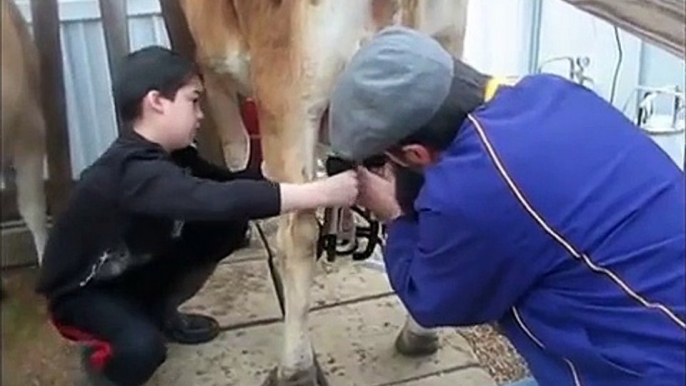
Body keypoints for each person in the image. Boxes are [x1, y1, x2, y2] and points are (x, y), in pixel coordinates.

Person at [327, 26, 685, 386]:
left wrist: (396, 214)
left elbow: (431, 298)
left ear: (415, 153)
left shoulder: (476, 186)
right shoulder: (551, 91)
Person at [35, 46, 358, 386]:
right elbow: (214, 199)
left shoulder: (174, 157)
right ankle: (105, 366)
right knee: (143, 349)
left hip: (129, 273)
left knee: (227, 226)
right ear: (156, 102)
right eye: (193, 100)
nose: (201, 114)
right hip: (82, 295)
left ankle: (158, 311)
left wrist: (286, 172)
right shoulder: (128, 170)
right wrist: (320, 194)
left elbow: (226, 188)